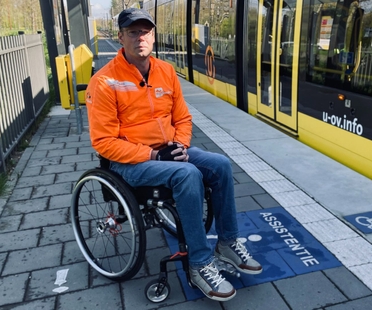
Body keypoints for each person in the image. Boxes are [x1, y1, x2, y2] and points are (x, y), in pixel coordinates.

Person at [85, 8, 262, 301]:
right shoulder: (104, 82)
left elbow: (183, 119)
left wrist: (178, 145)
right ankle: (200, 262)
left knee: (220, 164)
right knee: (188, 174)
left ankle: (228, 242)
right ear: (120, 37)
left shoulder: (166, 71)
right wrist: (154, 156)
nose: (140, 38)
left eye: (145, 32)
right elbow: (104, 142)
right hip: (132, 162)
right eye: (133, 32)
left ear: (153, 37)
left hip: (168, 152)